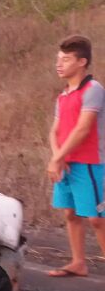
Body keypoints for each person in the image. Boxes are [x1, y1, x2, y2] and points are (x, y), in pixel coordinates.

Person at [47, 35, 105, 277]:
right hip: (66, 162)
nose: (59, 64)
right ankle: (78, 262)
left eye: (66, 59)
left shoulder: (93, 90)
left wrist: (58, 158)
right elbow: (55, 130)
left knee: (97, 218)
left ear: (82, 62)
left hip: (90, 162)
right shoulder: (63, 95)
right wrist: (57, 157)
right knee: (70, 213)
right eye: (58, 59)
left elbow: (83, 129)